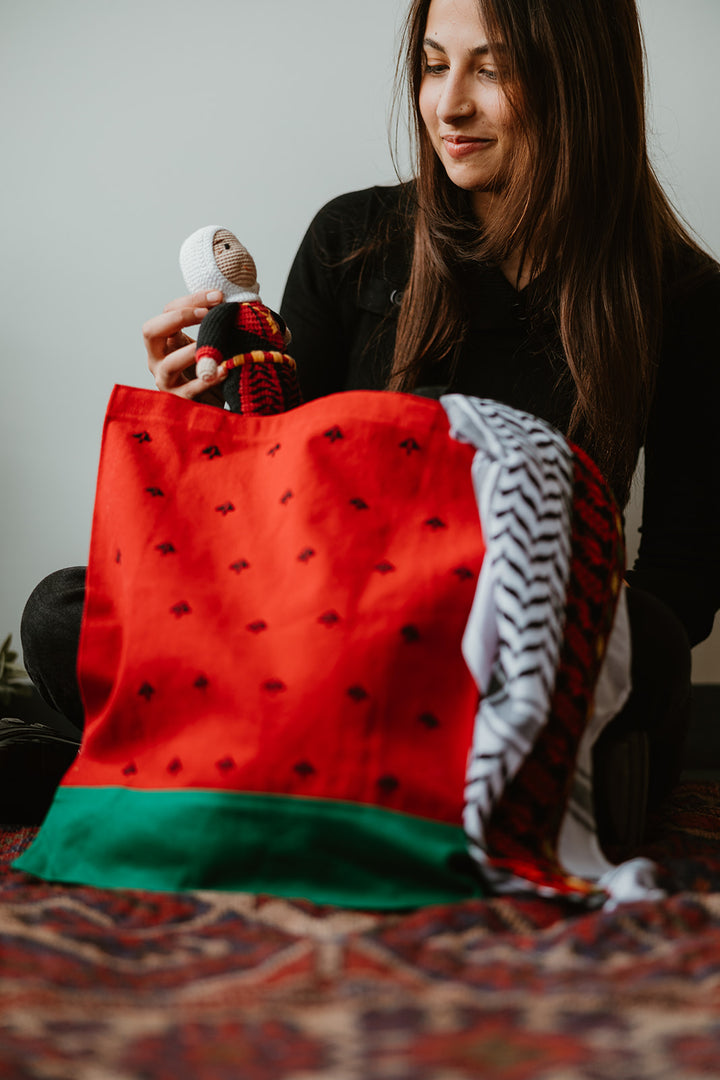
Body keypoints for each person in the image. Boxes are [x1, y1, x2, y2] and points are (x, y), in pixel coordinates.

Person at [15, 0, 720, 839]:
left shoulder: (684, 297)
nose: (448, 105)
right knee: (65, 609)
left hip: (508, 660)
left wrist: (555, 651)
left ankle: (222, 771)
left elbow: (685, 575)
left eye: (492, 69)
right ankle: (408, 790)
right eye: (432, 64)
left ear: (584, 84)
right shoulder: (354, 238)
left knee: (654, 639)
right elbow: (264, 518)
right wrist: (208, 418)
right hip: (325, 639)